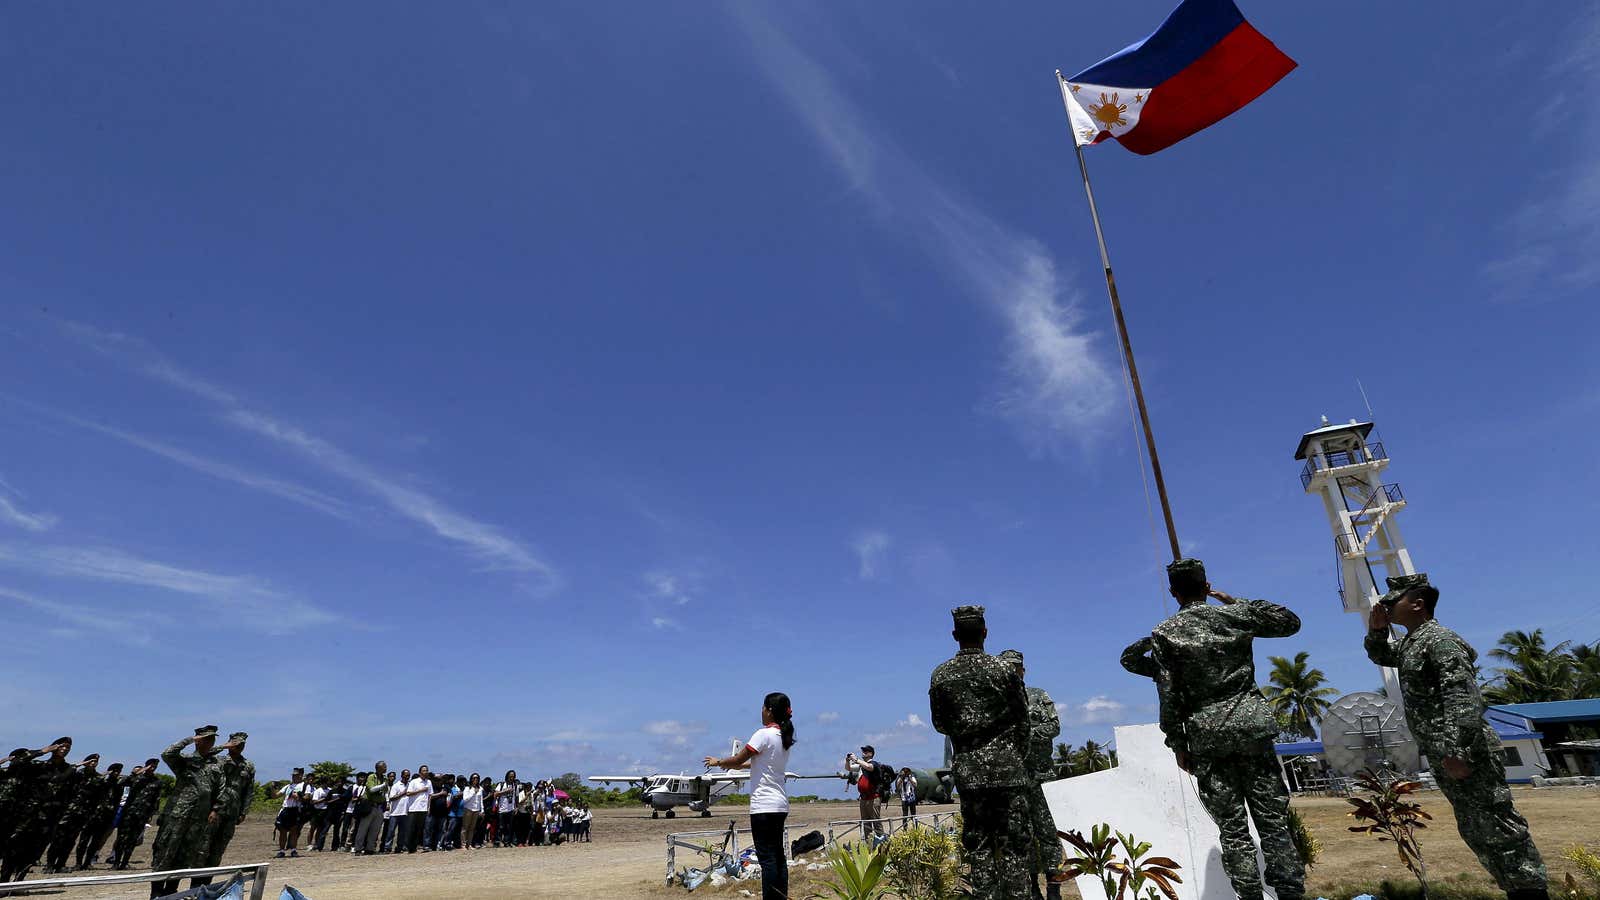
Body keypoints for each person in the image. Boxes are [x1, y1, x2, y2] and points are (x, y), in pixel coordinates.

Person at [1119, 559, 1305, 900]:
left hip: (1207, 737)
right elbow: (1289, 622)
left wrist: (1177, 742)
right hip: (1250, 728)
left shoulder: (1166, 633)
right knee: (1273, 821)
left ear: (1173, 592)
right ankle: (1291, 892)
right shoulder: (1233, 616)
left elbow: (1168, 693)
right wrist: (1234, 601)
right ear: (1207, 587)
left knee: (1233, 829)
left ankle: (1249, 895)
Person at [1366, 573, 1549, 900]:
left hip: (1466, 752)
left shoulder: (1439, 641)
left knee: (1500, 828)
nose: (1387, 606)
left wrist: (1457, 749)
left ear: (1418, 604)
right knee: (1478, 830)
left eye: (1395, 601)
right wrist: (1377, 631)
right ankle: (1516, 891)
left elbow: (1462, 697)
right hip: (1446, 754)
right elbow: (1383, 657)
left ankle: (1531, 892)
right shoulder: (1412, 644)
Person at [929, 605, 1032, 899]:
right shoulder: (1004, 670)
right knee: (1015, 847)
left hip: (970, 776)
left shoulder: (941, 675)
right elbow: (1023, 721)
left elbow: (940, 724)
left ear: (954, 635)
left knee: (980, 846)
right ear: (985, 633)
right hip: (1009, 772)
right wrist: (1016, 758)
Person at [705, 691, 796, 900]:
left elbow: (738, 759)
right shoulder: (784, 737)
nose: (761, 712)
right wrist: (735, 766)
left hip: (763, 805)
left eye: (763, 708)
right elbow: (756, 762)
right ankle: (782, 896)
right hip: (780, 804)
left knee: (767, 859)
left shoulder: (763, 734)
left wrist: (718, 762)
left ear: (770, 710)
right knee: (778, 856)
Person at [1000, 648, 1067, 900]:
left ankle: (1054, 886)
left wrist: (1025, 733)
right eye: (1007, 668)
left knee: (1049, 834)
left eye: (1015, 667)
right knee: (1021, 835)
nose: (1012, 672)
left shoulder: (1038, 696)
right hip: (1013, 779)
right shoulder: (997, 702)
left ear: (1023, 670)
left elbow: (1054, 726)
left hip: (1041, 776)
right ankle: (1031, 887)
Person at [149, 726, 230, 899]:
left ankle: (171, 891)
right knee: (165, 852)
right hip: (177, 816)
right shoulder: (185, 761)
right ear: (198, 740)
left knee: (184, 856)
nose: (210, 742)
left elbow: (221, 789)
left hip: (198, 820)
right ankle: (156, 892)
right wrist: (189, 740)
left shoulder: (215, 764)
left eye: (212, 739)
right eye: (207, 739)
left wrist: (216, 809)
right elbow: (167, 754)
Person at [203, 732, 255, 873]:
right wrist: (223, 746)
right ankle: (196, 885)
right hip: (213, 810)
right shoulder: (217, 760)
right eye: (236, 744)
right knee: (204, 847)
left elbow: (249, 791)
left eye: (242, 744)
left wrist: (243, 812)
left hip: (232, 812)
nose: (239, 747)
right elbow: (203, 754)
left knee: (219, 849)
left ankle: (206, 883)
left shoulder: (248, 766)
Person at [44, 751, 98, 873]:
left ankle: (61, 865)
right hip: (67, 811)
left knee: (70, 841)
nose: (93, 764)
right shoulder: (76, 774)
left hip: (82, 813)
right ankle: (49, 865)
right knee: (58, 838)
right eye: (91, 761)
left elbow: (96, 797)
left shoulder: (97, 778)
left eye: (95, 762)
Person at [111, 760, 163, 870]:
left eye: (155, 766)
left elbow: (156, 799)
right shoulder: (136, 778)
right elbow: (121, 783)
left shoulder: (157, 781)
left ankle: (124, 863)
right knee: (121, 838)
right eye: (151, 765)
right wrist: (135, 773)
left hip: (142, 815)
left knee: (132, 840)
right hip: (128, 813)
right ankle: (116, 863)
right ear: (146, 766)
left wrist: (151, 814)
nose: (152, 768)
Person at [74, 761, 122, 870]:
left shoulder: (118, 786)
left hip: (105, 817)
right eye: (114, 771)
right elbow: (89, 789)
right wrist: (103, 776)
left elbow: (116, 802)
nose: (116, 773)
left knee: (95, 842)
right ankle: (78, 862)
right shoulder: (100, 782)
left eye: (118, 772)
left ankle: (87, 862)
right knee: (83, 841)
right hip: (92, 816)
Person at [847, 745, 886, 838]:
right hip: (864, 798)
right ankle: (869, 842)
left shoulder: (874, 764)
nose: (863, 753)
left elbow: (869, 767)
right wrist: (847, 760)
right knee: (865, 822)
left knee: (876, 821)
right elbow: (848, 768)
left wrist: (856, 759)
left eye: (865, 751)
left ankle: (882, 841)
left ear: (871, 754)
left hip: (874, 797)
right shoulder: (861, 766)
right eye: (863, 751)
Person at [353, 762, 388, 855]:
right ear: (378, 768)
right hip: (369, 806)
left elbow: (385, 791)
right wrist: (382, 786)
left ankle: (370, 848)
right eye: (384, 766)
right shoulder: (371, 777)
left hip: (379, 806)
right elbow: (371, 789)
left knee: (375, 829)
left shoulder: (384, 778)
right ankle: (358, 849)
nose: (386, 768)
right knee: (363, 828)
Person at [274, 767, 309, 858]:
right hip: (285, 809)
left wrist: (298, 796)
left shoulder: (305, 785)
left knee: (294, 831)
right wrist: (272, 788)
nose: (294, 777)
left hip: (295, 809)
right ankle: (282, 850)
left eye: (296, 775)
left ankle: (293, 850)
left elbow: (307, 797)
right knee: (282, 831)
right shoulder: (288, 786)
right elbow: (276, 795)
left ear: (301, 776)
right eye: (293, 775)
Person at [403, 765, 431, 853]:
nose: (425, 772)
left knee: (419, 829)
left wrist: (429, 807)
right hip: (413, 808)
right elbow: (408, 793)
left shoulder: (429, 782)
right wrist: (421, 790)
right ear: (420, 772)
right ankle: (407, 846)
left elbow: (430, 795)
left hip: (423, 809)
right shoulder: (414, 782)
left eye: (426, 770)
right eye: (424, 770)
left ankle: (414, 847)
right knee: (411, 829)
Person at [381, 770, 406, 853]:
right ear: (402, 775)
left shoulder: (409, 785)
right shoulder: (396, 786)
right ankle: (387, 847)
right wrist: (402, 794)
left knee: (402, 832)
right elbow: (391, 798)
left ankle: (399, 847)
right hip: (395, 812)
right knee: (391, 831)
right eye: (405, 775)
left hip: (404, 812)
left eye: (408, 775)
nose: (407, 777)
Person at [492, 770, 517, 848]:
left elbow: (516, 797)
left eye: (513, 776)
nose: (511, 778)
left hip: (511, 809)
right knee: (500, 827)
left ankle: (507, 842)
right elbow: (495, 794)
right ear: (507, 776)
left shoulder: (515, 785)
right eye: (510, 776)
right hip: (501, 809)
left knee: (509, 827)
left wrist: (516, 807)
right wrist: (505, 791)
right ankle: (497, 841)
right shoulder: (501, 784)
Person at [460, 773, 483, 850]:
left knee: (472, 828)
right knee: (465, 828)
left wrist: (482, 810)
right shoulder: (467, 788)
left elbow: (481, 800)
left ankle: (469, 844)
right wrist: (473, 792)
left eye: (477, 778)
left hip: (476, 810)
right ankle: (463, 844)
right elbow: (465, 799)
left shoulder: (480, 788)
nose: (475, 779)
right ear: (471, 779)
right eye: (474, 778)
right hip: (468, 809)